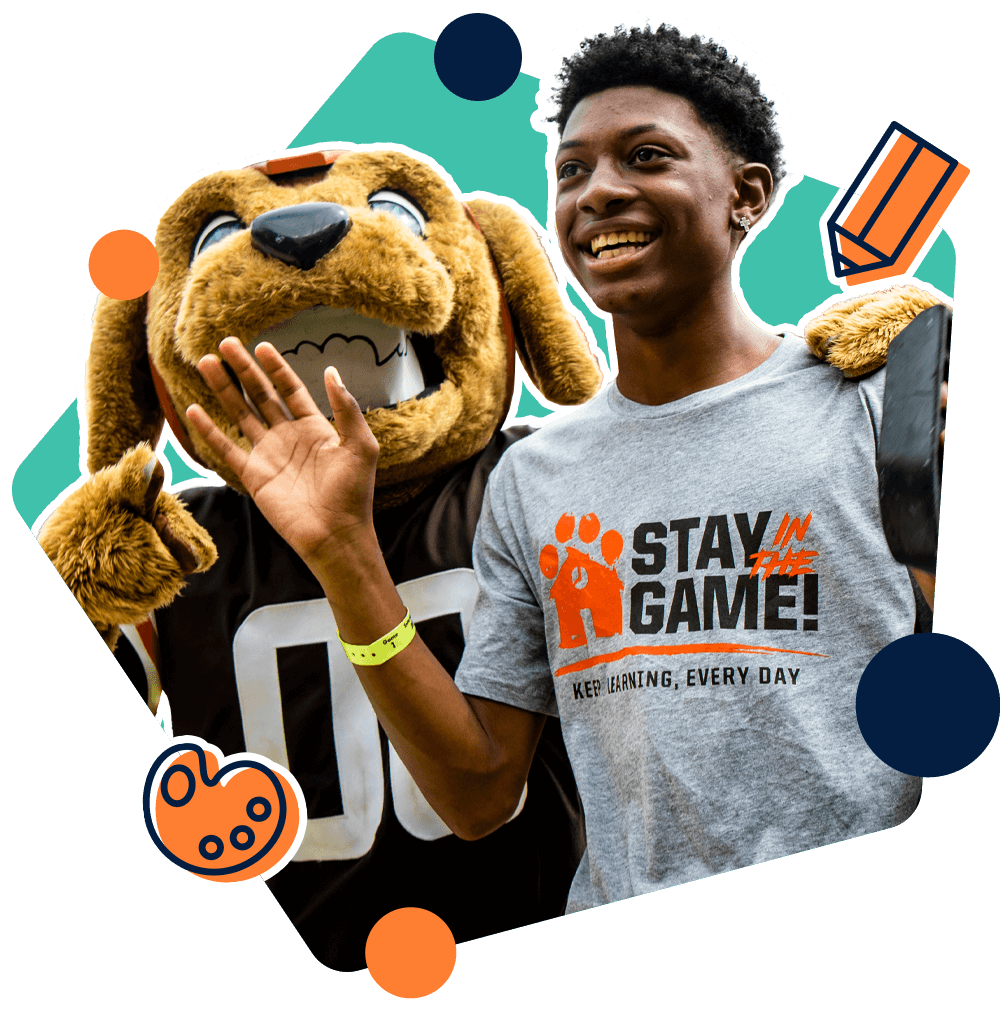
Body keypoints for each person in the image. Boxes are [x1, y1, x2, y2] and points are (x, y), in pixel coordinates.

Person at [186, 17, 937, 913]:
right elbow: (477, 794)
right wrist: (344, 548)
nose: (599, 193)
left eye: (647, 157)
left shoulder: (874, 400)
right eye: (572, 170)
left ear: (747, 193)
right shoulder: (534, 478)